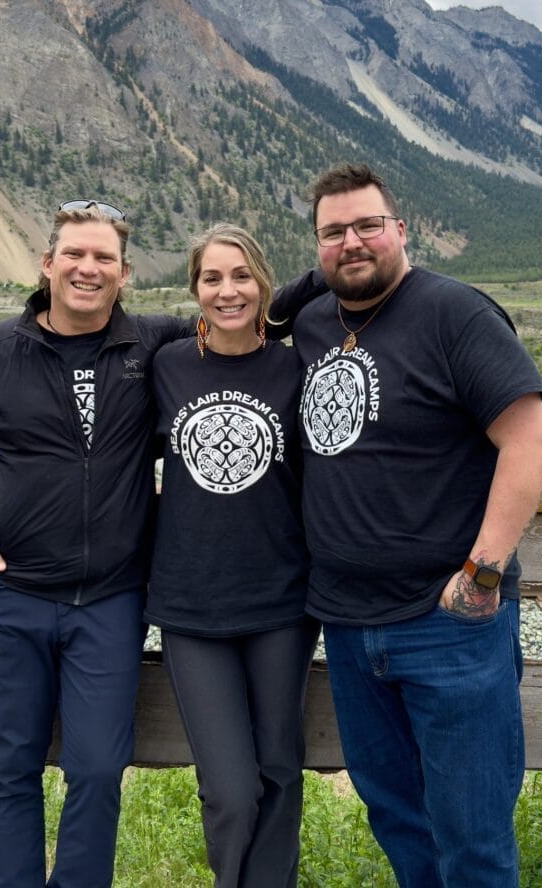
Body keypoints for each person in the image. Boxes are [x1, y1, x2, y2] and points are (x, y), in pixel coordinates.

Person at [0, 200, 195, 888]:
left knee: (97, 770)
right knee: (13, 768)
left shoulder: (154, 344)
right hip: (10, 600)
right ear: (47, 263)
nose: (87, 268)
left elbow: (245, 313)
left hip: (110, 604)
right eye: (75, 254)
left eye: (103, 258)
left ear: (124, 274)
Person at [291, 164, 542, 887]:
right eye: (333, 232)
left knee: (472, 839)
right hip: (347, 626)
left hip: (449, 625)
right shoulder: (314, 323)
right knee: (401, 825)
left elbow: (530, 441)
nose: (352, 242)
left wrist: (483, 573)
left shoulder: (455, 313)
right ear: (315, 249)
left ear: (401, 231)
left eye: (368, 225)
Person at [145, 224, 318, 888]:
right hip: (191, 605)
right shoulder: (166, 366)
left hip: (282, 603)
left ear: (264, 286)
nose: (228, 290)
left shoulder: (295, 366)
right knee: (230, 792)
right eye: (212, 278)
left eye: (242, 276)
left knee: (278, 771)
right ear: (194, 290)